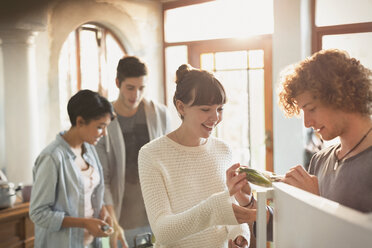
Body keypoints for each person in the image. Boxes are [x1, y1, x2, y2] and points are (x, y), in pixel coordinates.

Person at [138, 64, 252, 248]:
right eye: (205, 109)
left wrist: (240, 235)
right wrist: (216, 208)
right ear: (181, 107)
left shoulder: (223, 150)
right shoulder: (151, 154)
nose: (215, 117)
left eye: (220, 109)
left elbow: (228, 209)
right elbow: (162, 231)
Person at [278, 49, 372, 213]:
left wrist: (315, 203)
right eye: (303, 112)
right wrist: (250, 206)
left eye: (312, 109)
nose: (307, 123)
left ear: (341, 97)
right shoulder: (320, 161)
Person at [96, 56, 171, 248]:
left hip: (156, 215)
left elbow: (169, 161)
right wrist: (113, 222)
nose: (136, 95)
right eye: (130, 88)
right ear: (117, 83)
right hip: (120, 219)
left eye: (141, 88)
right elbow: (102, 177)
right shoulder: (104, 120)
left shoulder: (160, 114)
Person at [29, 90, 115, 248]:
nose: (104, 133)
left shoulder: (89, 149)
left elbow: (89, 191)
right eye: (100, 127)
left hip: (90, 243)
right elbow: (38, 213)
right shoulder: (52, 158)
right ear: (80, 121)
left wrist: (103, 210)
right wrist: (84, 223)